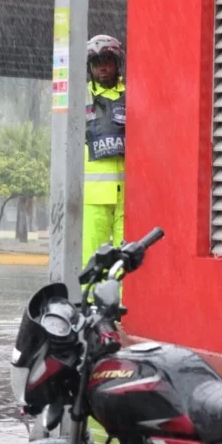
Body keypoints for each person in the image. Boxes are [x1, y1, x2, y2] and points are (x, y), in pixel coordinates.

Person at [82, 35, 126, 270]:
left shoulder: (133, 94)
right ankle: (92, 296)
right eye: (97, 63)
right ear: (90, 67)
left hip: (128, 197)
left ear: (117, 63)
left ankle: (120, 295)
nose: (102, 68)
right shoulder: (80, 98)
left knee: (126, 261)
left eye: (107, 61)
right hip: (93, 197)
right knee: (93, 261)